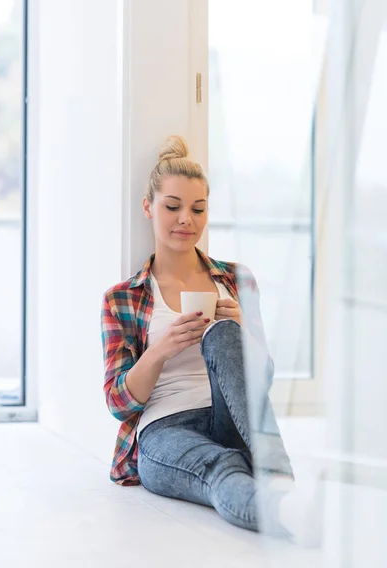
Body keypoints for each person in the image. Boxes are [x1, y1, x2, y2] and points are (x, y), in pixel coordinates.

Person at [101, 135, 321, 545]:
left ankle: (278, 477)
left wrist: (243, 335)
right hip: (165, 429)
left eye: (198, 209)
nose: (186, 219)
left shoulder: (238, 280)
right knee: (223, 467)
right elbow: (118, 402)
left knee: (223, 333)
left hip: (230, 415)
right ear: (149, 208)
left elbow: (262, 381)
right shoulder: (124, 298)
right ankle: (286, 510)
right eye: (173, 207)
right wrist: (162, 348)